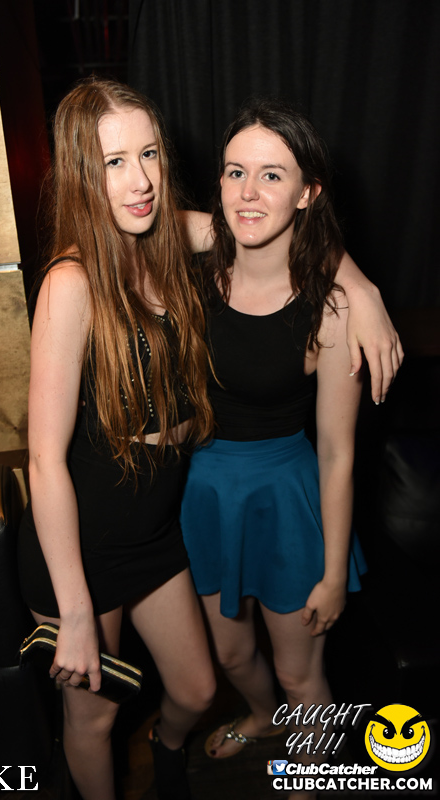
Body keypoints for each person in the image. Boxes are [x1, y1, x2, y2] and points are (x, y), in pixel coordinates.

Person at [17, 77, 217, 800]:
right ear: (82, 173)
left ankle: (168, 750)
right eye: (114, 162)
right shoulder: (70, 283)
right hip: (85, 545)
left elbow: (261, 218)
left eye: (150, 154)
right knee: (94, 719)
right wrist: (74, 613)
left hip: (153, 533)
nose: (142, 181)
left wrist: (363, 292)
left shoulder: (164, 238)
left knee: (196, 690)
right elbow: (44, 460)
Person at [179, 97, 376, 799]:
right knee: (232, 656)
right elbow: (136, 216)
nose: (248, 192)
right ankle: (263, 717)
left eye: (272, 175)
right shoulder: (195, 267)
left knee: (300, 672)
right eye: (236, 172)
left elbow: (338, 454)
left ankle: (313, 777)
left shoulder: (332, 308)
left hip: (287, 497)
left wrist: (333, 573)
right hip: (205, 494)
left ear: (307, 192)